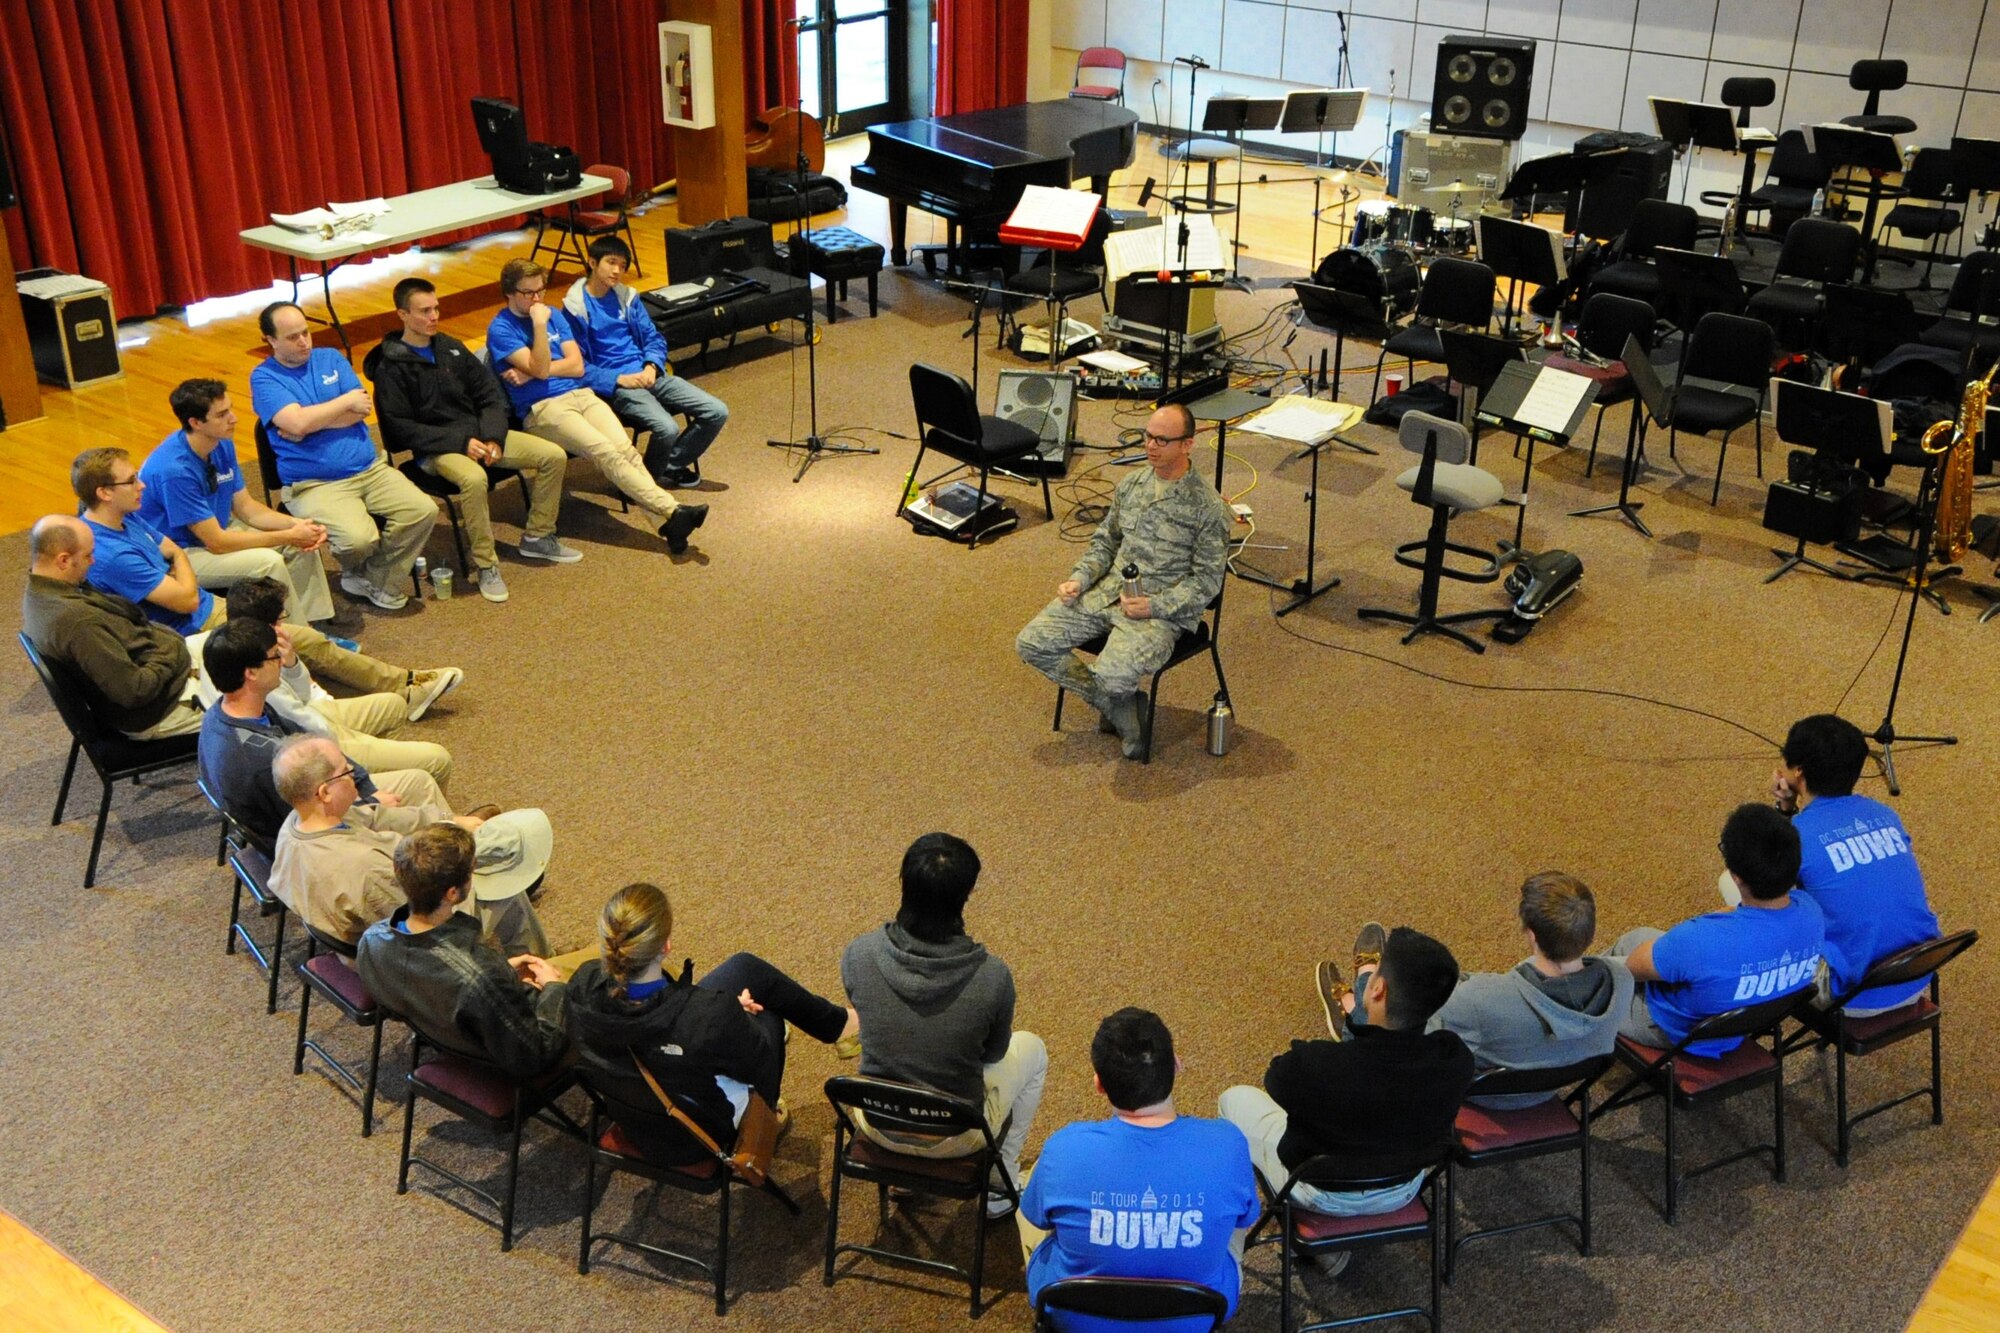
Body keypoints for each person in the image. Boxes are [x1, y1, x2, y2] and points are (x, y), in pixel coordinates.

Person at [77, 445, 460, 718]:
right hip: (190, 631)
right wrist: (178, 562)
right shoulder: (111, 553)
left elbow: (172, 552)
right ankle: (405, 687)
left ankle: (396, 683)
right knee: (298, 638)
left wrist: (177, 559)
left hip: (204, 607)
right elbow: (186, 601)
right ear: (105, 492)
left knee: (297, 636)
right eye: (132, 481)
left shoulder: (125, 518)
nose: (142, 486)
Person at [1219, 927, 1472, 1275]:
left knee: (1233, 1100)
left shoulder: (1318, 1066)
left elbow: (1276, 1078)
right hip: (1403, 1186)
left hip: (1320, 1193)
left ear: (1377, 988)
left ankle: (1319, 1244)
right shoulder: (1455, 1060)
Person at [565, 882, 859, 1166]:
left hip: (637, 1120)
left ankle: (837, 1025)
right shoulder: (706, 1017)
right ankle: (837, 1032)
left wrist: (724, 1014)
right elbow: (761, 1068)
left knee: (744, 968)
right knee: (770, 1016)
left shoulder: (581, 986)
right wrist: (737, 1017)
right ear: (665, 946)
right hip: (698, 1135)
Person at [841, 832, 1047, 1218]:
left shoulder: (858, 955)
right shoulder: (993, 977)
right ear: (966, 895)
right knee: (1032, 1050)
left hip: (877, 1123)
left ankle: (903, 1178)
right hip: (955, 1135)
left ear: (903, 882)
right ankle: (1000, 1187)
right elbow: (994, 1054)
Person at [1018, 1008, 1261, 1333]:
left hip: (1074, 1316)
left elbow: (1037, 1218)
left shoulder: (1063, 1148)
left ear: (1099, 1084)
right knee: (1232, 1213)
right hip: (1196, 1318)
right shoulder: (1229, 1143)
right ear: (1176, 1065)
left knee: (1033, 1188)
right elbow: (1245, 1219)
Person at [1016, 402, 1230, 759]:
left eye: (1162, 440)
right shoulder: (1132, 485)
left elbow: (1207, 582)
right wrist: (1080, 578)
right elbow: (1106, 541)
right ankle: (1120, 708)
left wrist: (1154, 605)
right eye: (1148, 436)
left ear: (1187, 445)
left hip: (1158, 613)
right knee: (1031, 643)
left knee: (1114, 678)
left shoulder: (1207, 507)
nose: (1150, 446)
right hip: (1107, 592)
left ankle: (1117, 701)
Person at [363, 277, 581, 603]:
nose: (434, 316)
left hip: (480, 436)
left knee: (553, 455)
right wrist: (462, 441)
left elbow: (490, 396)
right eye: (424, 311)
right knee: (474, 478)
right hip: (436, 449)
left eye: (436, 308)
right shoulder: (391, 367)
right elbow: (400, 430)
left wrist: (492, 437)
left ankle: (538, 536)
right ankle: (486, 564)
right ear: (403, 315)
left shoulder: (450, 347)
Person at [486, 258, 708, 554]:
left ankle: (669, 525)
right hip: (543, 408)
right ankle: (674, 509)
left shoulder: (554, 314)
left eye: (541, 290)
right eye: (529, 293)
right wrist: (539, 328)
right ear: (509, 293)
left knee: (626, 451)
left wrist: (533, 369)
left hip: (582, 394)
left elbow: (577, 366)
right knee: (605, 452)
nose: (537, 299)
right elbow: (542, 368)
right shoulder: (501, 328)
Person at [269, 734, 548, 955]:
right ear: (325, 792)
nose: (355, 772)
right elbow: (426, 925)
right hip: (407, 952)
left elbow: (381, 817)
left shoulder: (299, 821)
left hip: (386, 906)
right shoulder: (365, 868)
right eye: (346, 770)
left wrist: (450, 821)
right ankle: (538, 973)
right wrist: (466, 872)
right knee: (507, 887)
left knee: (477, 847)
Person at [249, 300, 438, 611]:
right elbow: (298, 422)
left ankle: (373, 578)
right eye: (292, 337)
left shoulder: (330, 358)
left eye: (306, 333)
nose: (304, 342)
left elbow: (361, 407)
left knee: (423, 510)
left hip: (370, 468)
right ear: (270, 341)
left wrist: (310, 423)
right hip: (314, 483)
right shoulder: (265, 378)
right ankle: (367, 574)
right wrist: (341, 403)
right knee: (357, 540)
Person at [197, 617, 450, 848]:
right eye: (275, 657)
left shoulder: (226, 712)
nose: (282, 663)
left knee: (418, 782)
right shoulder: (261, 762)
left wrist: (368, 791)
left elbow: (316, 744)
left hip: (317, 800)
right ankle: (441, 864)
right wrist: (371, 807)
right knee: (423, 785)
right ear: (250, 673)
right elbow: (311, 822)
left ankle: (435, 848)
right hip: (312, 842)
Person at [1388, 874, 1631, 1109]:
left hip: (1489, 1098)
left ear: (1532, 935)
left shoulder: (1477, 1000)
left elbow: (1427, 1050)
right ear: (1590, 932)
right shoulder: (1623, 980)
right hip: (1549, 1089)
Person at [355, 822, 570, 1080]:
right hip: (495, 1062)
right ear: (453, 893)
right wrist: (554, 990)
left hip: (444, 1033)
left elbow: (422, 987)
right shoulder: (480, 977)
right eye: (471, 871)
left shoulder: (372, 939)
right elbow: (536, 1056)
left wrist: (502, 972)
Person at [1608, 803, 1826, 1057]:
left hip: (1673, 1030)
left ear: (1737, 877)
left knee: (1616, 958)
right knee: (1642, 937)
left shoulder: (1700, 940)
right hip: (1745, 1021)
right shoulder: (1813, 911)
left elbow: (1633, 968)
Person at [189, 577, 458, 782]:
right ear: (270, 625)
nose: (284, 624)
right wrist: (354, 744)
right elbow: (308, 721)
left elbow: (303, 697)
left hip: (308, 723)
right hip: (312, 747)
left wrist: (292, 663)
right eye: (281, 618)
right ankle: (368, 790)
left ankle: (384, 785)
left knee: (393, 704)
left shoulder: (221, 644)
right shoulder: (259, 676)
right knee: (436, 758)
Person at [138, 377, 346, 632]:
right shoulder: (174, 471)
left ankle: (312, 629)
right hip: (177, 555)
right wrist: (289, 535)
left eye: (231, 409)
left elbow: (247, 508)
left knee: (300, 543)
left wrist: (299, 525)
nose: (234, 418)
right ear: (195, 423)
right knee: (268, 561)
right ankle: (297, 641)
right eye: (222, 414)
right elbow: (217, 542)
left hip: (216, 531)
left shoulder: (221, 443)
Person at [1771, 714, 1941, 1015]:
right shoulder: (1885, 813)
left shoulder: (1797, 835)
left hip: (1853, 995)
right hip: (1916, 975)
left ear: (1797, 772)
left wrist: (1784, 811)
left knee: (1742, 896)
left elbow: (1765, 888)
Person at [561, 235, 728, 489]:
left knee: (716, 411)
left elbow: (653, 338)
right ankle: (644, 485)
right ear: (592, 262)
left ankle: (660, 470)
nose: (617, 271)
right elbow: (576, 368)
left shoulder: (627, 297)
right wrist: (618, 379)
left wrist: (652, 364)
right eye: (611, 262)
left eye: (623, 265)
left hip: (651, 374)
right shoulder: (574, 309)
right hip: (619, 386)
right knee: (667, 428)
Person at [21, 515, 203, 739]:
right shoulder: (79, 622)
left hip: (160, 666)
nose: (93, 561)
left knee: (244, 644)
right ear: (63, 560)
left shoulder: (40, 592)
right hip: (161, 707)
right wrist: (171, 650)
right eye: (88, 555)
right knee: (255, 690)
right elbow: (133, 691)